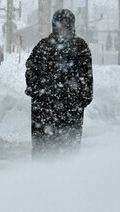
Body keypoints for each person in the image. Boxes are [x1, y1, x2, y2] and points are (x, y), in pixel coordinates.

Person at [25, 9, 93, 159]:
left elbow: (87, 77)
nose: (62, 29)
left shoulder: (80, 47)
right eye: (59, 25)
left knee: (67, 153)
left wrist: (80, 99)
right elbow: (31, 71)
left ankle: (65, 180)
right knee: (44, 151)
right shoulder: (44, 46)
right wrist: (39, 92)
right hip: (45, 111)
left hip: (69, 110)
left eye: (65, 25)